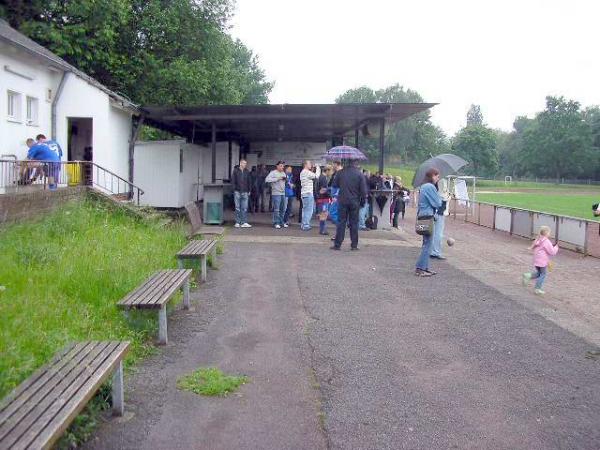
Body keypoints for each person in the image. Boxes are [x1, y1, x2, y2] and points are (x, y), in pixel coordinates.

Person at [331, 160, 368, 251]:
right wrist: (363, 202)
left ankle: (337, 244)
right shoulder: (359, 174)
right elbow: (363, 191)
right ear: (355, 164)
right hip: (354, 202)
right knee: (354, 223)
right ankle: (354, 245)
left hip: (342, 201)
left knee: (341, 223)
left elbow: (334, 185)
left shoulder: (340, 173)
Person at [415, 168, 442, 276]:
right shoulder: (430, 187)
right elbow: (437, 203)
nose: (438, 178)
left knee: (426, 242)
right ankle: (420, 268)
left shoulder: (423, 186)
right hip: (428, 216)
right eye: (437, 176)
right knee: (428, 244)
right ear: (432, 176)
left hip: (422, 215)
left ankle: (424, 267)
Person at [522, 226, 559, 295]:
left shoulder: (538, 239)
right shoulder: (546, 241)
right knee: (543, 274)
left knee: (539, 273)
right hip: (542, 261)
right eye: (549, 232)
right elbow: (552, 252)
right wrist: (556, 247)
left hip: (536, 260)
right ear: (547, 233)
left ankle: (528, 275)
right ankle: (537, 288)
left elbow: (534, 246)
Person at [430, 177, 450, 259]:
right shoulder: (441, 182)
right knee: (438, 233)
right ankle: (435, 252)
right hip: (439, 213)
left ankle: (433, 250)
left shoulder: (433, 187)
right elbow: (443, 197)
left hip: (436, 212)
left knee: (435, 233)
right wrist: (448, 197)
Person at [265, 161, 288, 228]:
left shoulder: (284, 173)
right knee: (276, 209)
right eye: (280, 166)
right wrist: (277, 178)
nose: (282, 167)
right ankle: (276, 222)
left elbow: (284, 182)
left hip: (283, 193)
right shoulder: (273, 172)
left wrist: (286, 181)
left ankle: (281, 222)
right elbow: (267, 179)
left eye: (283, 166)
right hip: (276, 193)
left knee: (282, 208)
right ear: (277, 166)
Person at [300, 160, 320, 231]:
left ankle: (303, 224)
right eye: (309, 163)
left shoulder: (303, 172)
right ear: (305, 164)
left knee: (305, 210)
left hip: (304, 193)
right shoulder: (306, 172)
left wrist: (312, 169)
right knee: (309, 210)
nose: (311, 165)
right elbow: (316, 176)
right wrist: (318, 167)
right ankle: (306, 225)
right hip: (308, 193)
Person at [231, 159, 252, 228]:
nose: (245, 165)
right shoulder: (235, 171)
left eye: (245, 163)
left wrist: (249, 190)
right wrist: (234, 189)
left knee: (244, 208)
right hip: (237, 191)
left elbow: (249, 181)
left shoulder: (247, 171)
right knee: (237, 208)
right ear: (240, 163)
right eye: (243, 163)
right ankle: (237, 222)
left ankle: (244, 222)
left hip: (245, 192)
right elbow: (233, 181)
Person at [316, 165, 332, 235]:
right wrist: (330, 195)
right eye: (330, 171)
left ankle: (322, 229)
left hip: (322, 199)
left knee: (323, 214)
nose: (331, 173)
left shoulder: (322, 177)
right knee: (323, 214)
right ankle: (322, 230)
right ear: (327, 170)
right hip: (323, 199)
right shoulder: (323, 178)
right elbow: (323, 189)